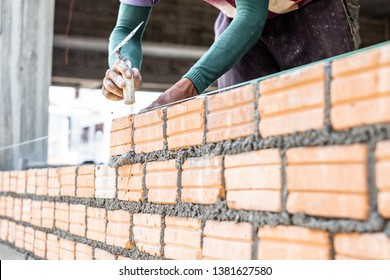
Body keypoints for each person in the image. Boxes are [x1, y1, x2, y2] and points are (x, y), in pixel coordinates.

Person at [102, 0, 360, 110]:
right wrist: (122, 67)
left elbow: (252, 17)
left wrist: (188, 86)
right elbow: (126, 30)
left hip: (309, 8)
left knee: (329, 110)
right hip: (238, 15)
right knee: (239, 126)